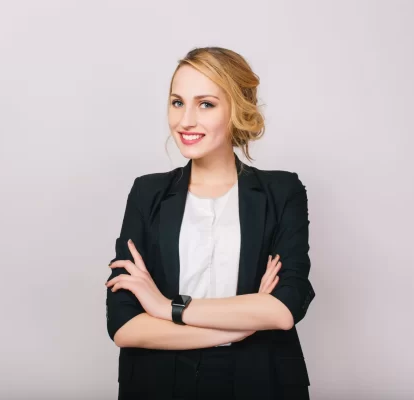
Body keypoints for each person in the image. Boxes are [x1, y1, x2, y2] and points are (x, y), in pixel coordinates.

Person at [105, 47, 315, 400]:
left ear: (237, 109)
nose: (185, 120)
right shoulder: (147, 193)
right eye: (177, 102)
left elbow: (282, 310)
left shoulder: (283, 191)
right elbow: (124, 326)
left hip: (261, 382)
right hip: (159, 384)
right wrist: (242, 327)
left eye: (206, 104)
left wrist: (165, 308)